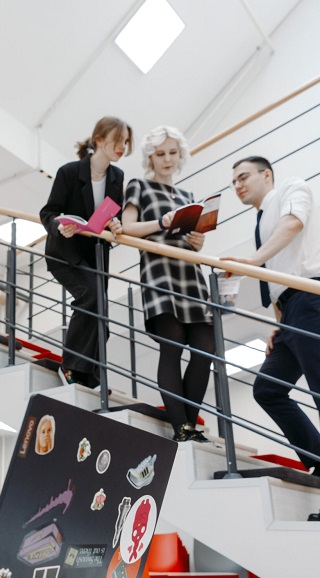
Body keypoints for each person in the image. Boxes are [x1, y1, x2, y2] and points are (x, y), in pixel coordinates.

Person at [222, 156, 320, 522]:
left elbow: (294, 224)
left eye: (244, 176)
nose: (238, 185)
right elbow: (280, 276)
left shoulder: (292, 188)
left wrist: (251, 262)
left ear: (267, 175)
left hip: (315, 299)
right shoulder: (261, 221)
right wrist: (279, 323)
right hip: (293, 312)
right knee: (267, 389)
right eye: (234, 182)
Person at [120, 126, 215, 442]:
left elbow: (192, 240)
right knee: (172, 345)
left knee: (206, 350)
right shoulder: (139, 186)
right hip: (159, 271)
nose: (167, 159)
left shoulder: (187, 196)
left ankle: (188, 424)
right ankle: (183, 428)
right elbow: (127, 229)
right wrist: (161, 222)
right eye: (160, 154)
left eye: (173, 153)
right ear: (150, 156)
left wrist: (197, 242)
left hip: (190, 274)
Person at [40, 116, 131, 389]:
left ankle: (91, 377)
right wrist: (60, 226)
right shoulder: (69, 172)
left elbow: (112, 215)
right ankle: (70, 367)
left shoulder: (117, 177)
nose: (123, 147)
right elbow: (48, 212)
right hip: (64, 253)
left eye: (126, 142)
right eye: (118, 140)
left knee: (101, 314)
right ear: (99, 139)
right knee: (91, 297)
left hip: (95, 257)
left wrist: (116, 224)